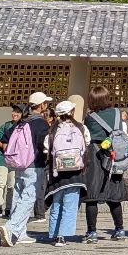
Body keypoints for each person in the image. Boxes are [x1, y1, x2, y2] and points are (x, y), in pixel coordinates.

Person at [0, 94, 51, 247]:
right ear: (41, 105)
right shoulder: (41, 123)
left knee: (18, 195)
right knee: (28, 197)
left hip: (20, 163)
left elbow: (7, 137)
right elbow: (44, 144)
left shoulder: (23, 121)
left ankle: (19, 233)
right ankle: (11, 226)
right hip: (35, 164)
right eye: (46, 103)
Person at [83, 86, 128, 242]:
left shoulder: (90, 118)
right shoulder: (118, 113)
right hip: (114, 157)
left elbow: (87, 139)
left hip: (96, 157)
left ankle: (92, 232)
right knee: (114, 196)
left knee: (92, 197)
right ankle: (119, 229)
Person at [43, 100, 87, 245]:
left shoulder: (53, 130)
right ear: (72, 113)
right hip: (75, 172)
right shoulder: (81, 128)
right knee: (70, 204)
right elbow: (87, 145)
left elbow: (46, 149)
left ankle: (54, 233)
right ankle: (63, 235)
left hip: (57, 173)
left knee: (57, 203)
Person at [0, 105, 23, 217]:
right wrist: (8, 146)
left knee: (12, 186)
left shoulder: (24, 127)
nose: (15, 114)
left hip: (15, 160)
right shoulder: (6, 126)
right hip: (2, 158)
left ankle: (9, 208)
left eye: (18, 112)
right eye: (14, 111)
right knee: (0, 184)